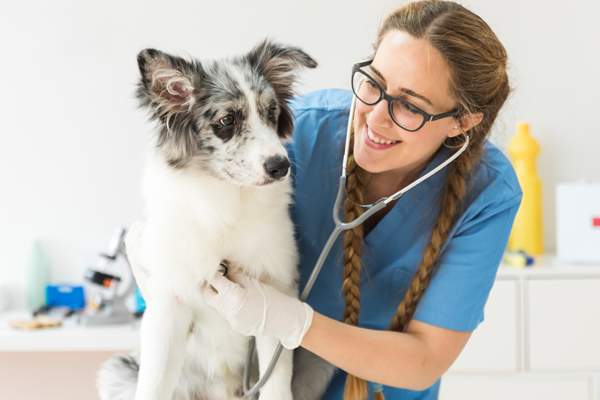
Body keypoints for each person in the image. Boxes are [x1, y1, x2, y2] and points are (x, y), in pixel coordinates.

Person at [137, 1, 522, 399]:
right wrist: (156, 246)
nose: (374, 118)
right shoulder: (297, 133)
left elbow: (425, 360)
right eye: (374, 83)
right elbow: (196, 188)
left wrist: (295, 323)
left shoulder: (488, 194)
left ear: (462, 121)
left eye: (409, 106)